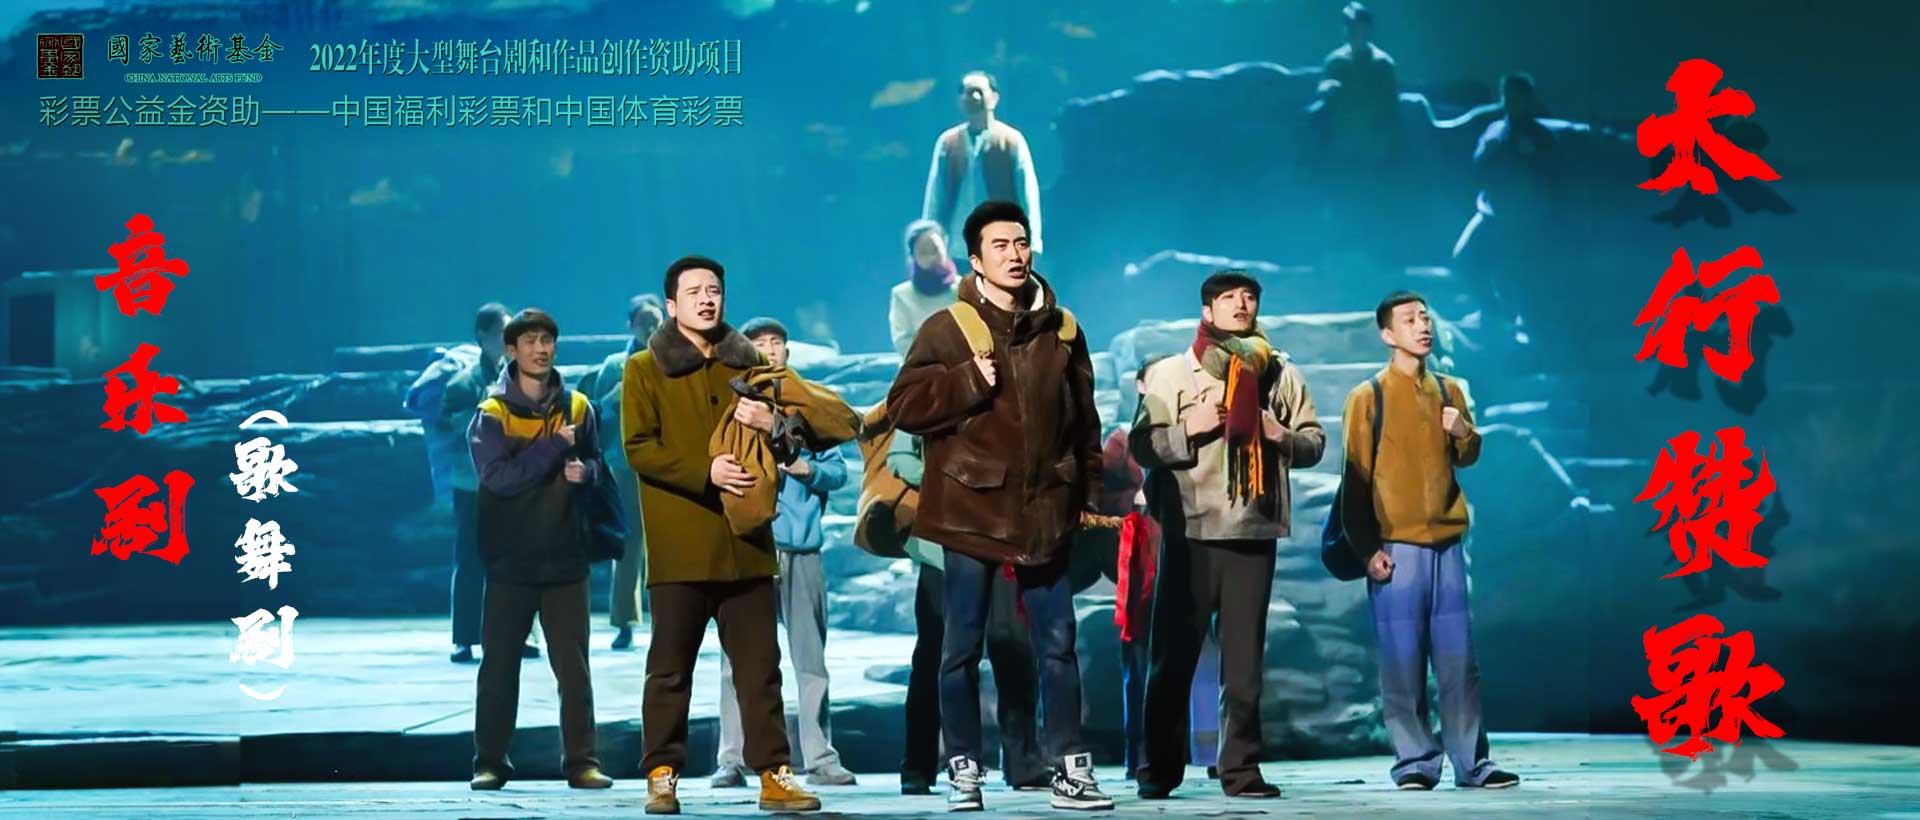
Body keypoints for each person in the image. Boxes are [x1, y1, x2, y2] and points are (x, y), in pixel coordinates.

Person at [886, 200, 1109, 812]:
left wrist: (1087, 495)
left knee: (1059, 644)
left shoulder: (1063, 329)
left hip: (1044, 511)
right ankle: (964, 771)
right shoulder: (948, 328)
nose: (1015, 254)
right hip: (969, 510)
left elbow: (1085, 423)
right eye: (1001, 245)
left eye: (1021, 242)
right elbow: (903, 406)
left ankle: (1071, 767)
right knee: (960, 647)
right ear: (976, 260)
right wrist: (966, 380)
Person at [623, 256, 821, 814]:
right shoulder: (644, 368)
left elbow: (793, 440)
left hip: (747, 541)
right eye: (694, 292)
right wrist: (704, 471)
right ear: (671, 305)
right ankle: (662, 774)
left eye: (714, 290)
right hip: (681, 543)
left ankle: (775, 775)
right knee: (670, 670)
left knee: (761, 670)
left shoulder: (751, 363)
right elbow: (639, 447)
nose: (706, 299)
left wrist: (772, 425)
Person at [1129, 271, 1325, 799]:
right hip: (1190, 531)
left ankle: (1240, 769)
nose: (1242, 304)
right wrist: (1188, 430)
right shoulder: (1173, 372)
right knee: (1173, 658)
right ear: (1207, 311)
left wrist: (1280, 435)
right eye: (1229, 297)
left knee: (1244, 667)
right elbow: (1142, 446)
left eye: (1249, 297)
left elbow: (1314, 442)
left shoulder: (1278, 372)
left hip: (1251, 531)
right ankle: (1158, 769)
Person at [1340, 291, 1520, 791]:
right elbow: (1354, 480)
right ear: (1387, 334)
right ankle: (1415, 762)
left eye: (1425, 317)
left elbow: (1467, 456)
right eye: (1409, 320)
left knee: (1459, 663)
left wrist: (1463, 431)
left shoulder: (1449, 389)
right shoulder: (1368, 397)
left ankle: (1472, 762)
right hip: (1396, 548)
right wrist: (1366, 550)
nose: (1423, 326)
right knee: (1402, 662)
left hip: (1446, 544)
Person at [465, 309, 612, 791]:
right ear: (511, 351)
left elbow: (599, 463)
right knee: (499, 666)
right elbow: (498, 479)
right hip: (510, 561)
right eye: (529, 341)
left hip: (566, 557)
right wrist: (551, 448)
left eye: (547, 340)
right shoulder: (492, 413)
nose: (540, 349)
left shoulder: (578, 407)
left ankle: (582, 762)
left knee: (574, 669)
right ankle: (490, 761)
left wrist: (586, 472)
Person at [710, 317, 859, 788]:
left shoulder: (808, 405)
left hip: (801, 548)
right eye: (760, 344)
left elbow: (838, 472)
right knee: (737, 661)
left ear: (787, 353)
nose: (770, 350)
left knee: (810, 659)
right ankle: (732, 758)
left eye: (777, 343)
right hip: (749, 547)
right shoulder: (731, 405)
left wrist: (800, 462)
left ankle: (820, 756)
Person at [890, 426, 1051, 796]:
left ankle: (1023, 762)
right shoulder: (932, 394)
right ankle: (919, 764)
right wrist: (955, 485)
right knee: (935, 656)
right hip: (943, 550)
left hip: (1004, 546)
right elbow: (899, 457)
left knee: (1013, 650)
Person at [429, 302, 539, 665]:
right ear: (481, 336)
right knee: (471, 559)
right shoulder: (463, 383)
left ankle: (522, 633)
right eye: (498, 333)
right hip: (472, 484)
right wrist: (485, 406)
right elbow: (447, 429)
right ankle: (464, 638)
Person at [578, 293, 666, 648]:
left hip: (667, 465)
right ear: (631, 325)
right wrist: (614, 398)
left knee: (667, 542)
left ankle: (668, 618)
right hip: (627, 463)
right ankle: (625, 620)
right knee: (629, 540)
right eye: (644, 322)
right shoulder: (616, 365)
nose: (651, 328)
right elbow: (595, 412)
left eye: (656, 321)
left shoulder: (676, 360)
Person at [922, 72, 1044, 258]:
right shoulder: (948, 143)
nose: (974, 97)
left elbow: (1027, 193)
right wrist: (928, 237)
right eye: (968, 92)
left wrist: (1032, 241)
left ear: (994, 97)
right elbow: (936, 194)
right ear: (960, 101)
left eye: (979, 91)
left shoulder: (1011, 140)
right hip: (958, 247)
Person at [890, 219, 962, 356]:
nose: (932, 256)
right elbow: (903, 342)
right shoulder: (902, 295)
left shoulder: (966, 289)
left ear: (945, 245)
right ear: (913, 255)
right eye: (924, 252)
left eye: (935, 249)